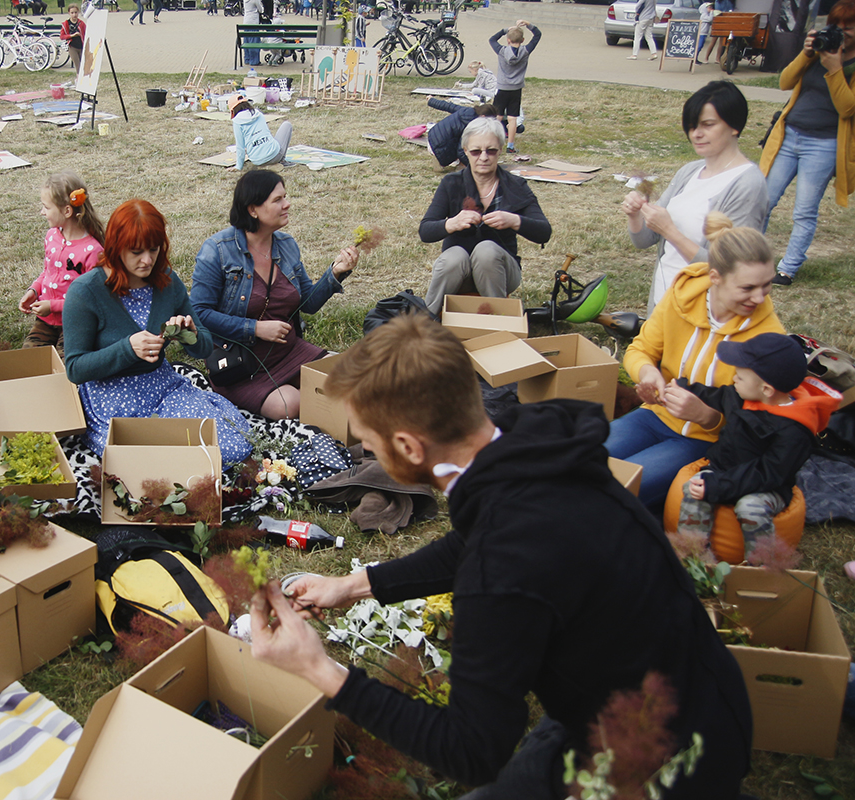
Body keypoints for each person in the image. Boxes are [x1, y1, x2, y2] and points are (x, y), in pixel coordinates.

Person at [248, 314, 753, 799]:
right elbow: (470, 542)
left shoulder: (504, 562)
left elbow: (471, 751)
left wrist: (318, 669)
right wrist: (354, 586)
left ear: (408, 446)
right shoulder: (535, 446)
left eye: (369, 442)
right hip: (692, 689)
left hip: (665, 765)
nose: (370, 452)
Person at [606, 213, 785, 514]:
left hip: (709, 440)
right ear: (715, 277)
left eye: (766, 285)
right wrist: (647, 373)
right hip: (654, 416)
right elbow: (640, 349)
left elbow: (764, 421)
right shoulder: (682, 296)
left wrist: (706, 416)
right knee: (579, 461)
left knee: (618, 489)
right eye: (747, 288)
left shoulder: (768, 336)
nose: (759, 298)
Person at [63, 200, 252, 465]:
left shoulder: (166, 281)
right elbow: (75, 368)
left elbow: (204, 347)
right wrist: (127, 349)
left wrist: (189, 333)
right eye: (136, 251)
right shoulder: (86, 291)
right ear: (116, 247)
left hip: (162, 387)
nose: (147, 260)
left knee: (230, 449)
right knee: (155, 463)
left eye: (153, 249)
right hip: (112, 396)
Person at [191, 170, 359, 419]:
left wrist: (335, 272)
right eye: (278, 199)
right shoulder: (218, 250)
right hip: (241, 364)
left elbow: (308, 304)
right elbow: (199, 312)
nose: (287, 204)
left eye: (285, 197)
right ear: (253, 209)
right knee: (290, 404)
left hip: (289, 352)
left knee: (349, 375)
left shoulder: (286, 245)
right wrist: (255, 329)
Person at [675, 333, 839, 557]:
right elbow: (714, 396)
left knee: (750, 507)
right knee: (693, 489)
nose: (734, 379)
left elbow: (767, 472)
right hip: (723, 470)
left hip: (766, 487)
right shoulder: (744, 395)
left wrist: (719, 485)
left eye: (740, 377)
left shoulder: (794, 432)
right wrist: (681, 389)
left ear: (766, 390)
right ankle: (693, 557)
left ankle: (762, 565)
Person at [624, 80, 768, 314]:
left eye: (708, 125)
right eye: (692, 127)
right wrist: (635, 216)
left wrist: (670, 231)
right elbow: (644, 240)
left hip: (703, 312)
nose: (697, 134)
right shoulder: (689, 171)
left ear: (734, 126)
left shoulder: (747, 185)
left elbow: (731, 269)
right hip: (664, 304)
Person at [759, 0, 855, 286]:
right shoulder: (819, 52)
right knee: (763, 200)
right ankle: (751, 260)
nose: (841, 32)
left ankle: (787, 268)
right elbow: (785, 82)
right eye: (836, 25)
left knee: (804, 210)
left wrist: (835, 69)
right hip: (789, 135)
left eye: (849, 27)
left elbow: (847, 108)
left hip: (824, 144)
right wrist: (806, 53)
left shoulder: (847, 64)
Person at [419, 117, 551, 314]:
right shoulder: (451, 183)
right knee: (454, 256)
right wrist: (452, 223)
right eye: (476, 151)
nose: (484, 157)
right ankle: (427, 320)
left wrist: (514, 220)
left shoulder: (515, 186)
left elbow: (544, 232)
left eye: (491, 150)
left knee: (486, 251)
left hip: (501, 274)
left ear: (500, 150)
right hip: (458, 272)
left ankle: (497, 322)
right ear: (465, 151)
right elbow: (425, 231)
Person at [19, 172, 105, 350]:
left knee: (65, 362)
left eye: (46, 207)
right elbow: (47, 272)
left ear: (67, 211)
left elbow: (93, 298)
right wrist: (34, 290)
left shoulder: (92, 251)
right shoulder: (52, 236)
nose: (42, 212)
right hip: (46, 319)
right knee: (30, 356)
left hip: (76, 320)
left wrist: (53, 306)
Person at [488, 20, 540, 153]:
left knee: (497, 117)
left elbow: (492, 39)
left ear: (508, 40)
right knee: (512, 118)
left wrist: (506, 30)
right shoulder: (526, 51)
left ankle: (493, 143)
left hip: (502, 87)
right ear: (522, 40)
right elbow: (537, 35)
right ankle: (510, 146)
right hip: (516, 89)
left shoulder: (501, 51)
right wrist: (528, 24)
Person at [425, 101, 499, 168]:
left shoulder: (467, 111)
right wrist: (474, 166)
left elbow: (449, 106)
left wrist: (431, 101)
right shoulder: (472, 125)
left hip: (432, 136)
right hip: (438, 147)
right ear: (483, 116)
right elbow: (461, 152)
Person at [229, 94, 293, 170]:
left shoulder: (237, 122)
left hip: (257, 161)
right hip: (275, 155)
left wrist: (239, 166)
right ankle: (281, 160)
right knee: (287, 125)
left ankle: (268, 163)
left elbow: (240, 147)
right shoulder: (258, 114)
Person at [61, 4, 87, 73]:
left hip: (81, 46)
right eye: (72, 13)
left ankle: (83, 78)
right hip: (72, 46)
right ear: (69, 13)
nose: (74, 15)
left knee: (83, 64)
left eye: (76, 12)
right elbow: (62, 36)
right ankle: (78, 77)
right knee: (78, 65)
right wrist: (72, 35)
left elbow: (86, 33)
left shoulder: (81, 23)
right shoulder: (66, 23)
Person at [242, 0, 260, 64]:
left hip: (246, 21)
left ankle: (247, 59)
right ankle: (254, 61)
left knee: (247, 41)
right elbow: (261, 9)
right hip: (254, 21)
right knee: (254, 41)